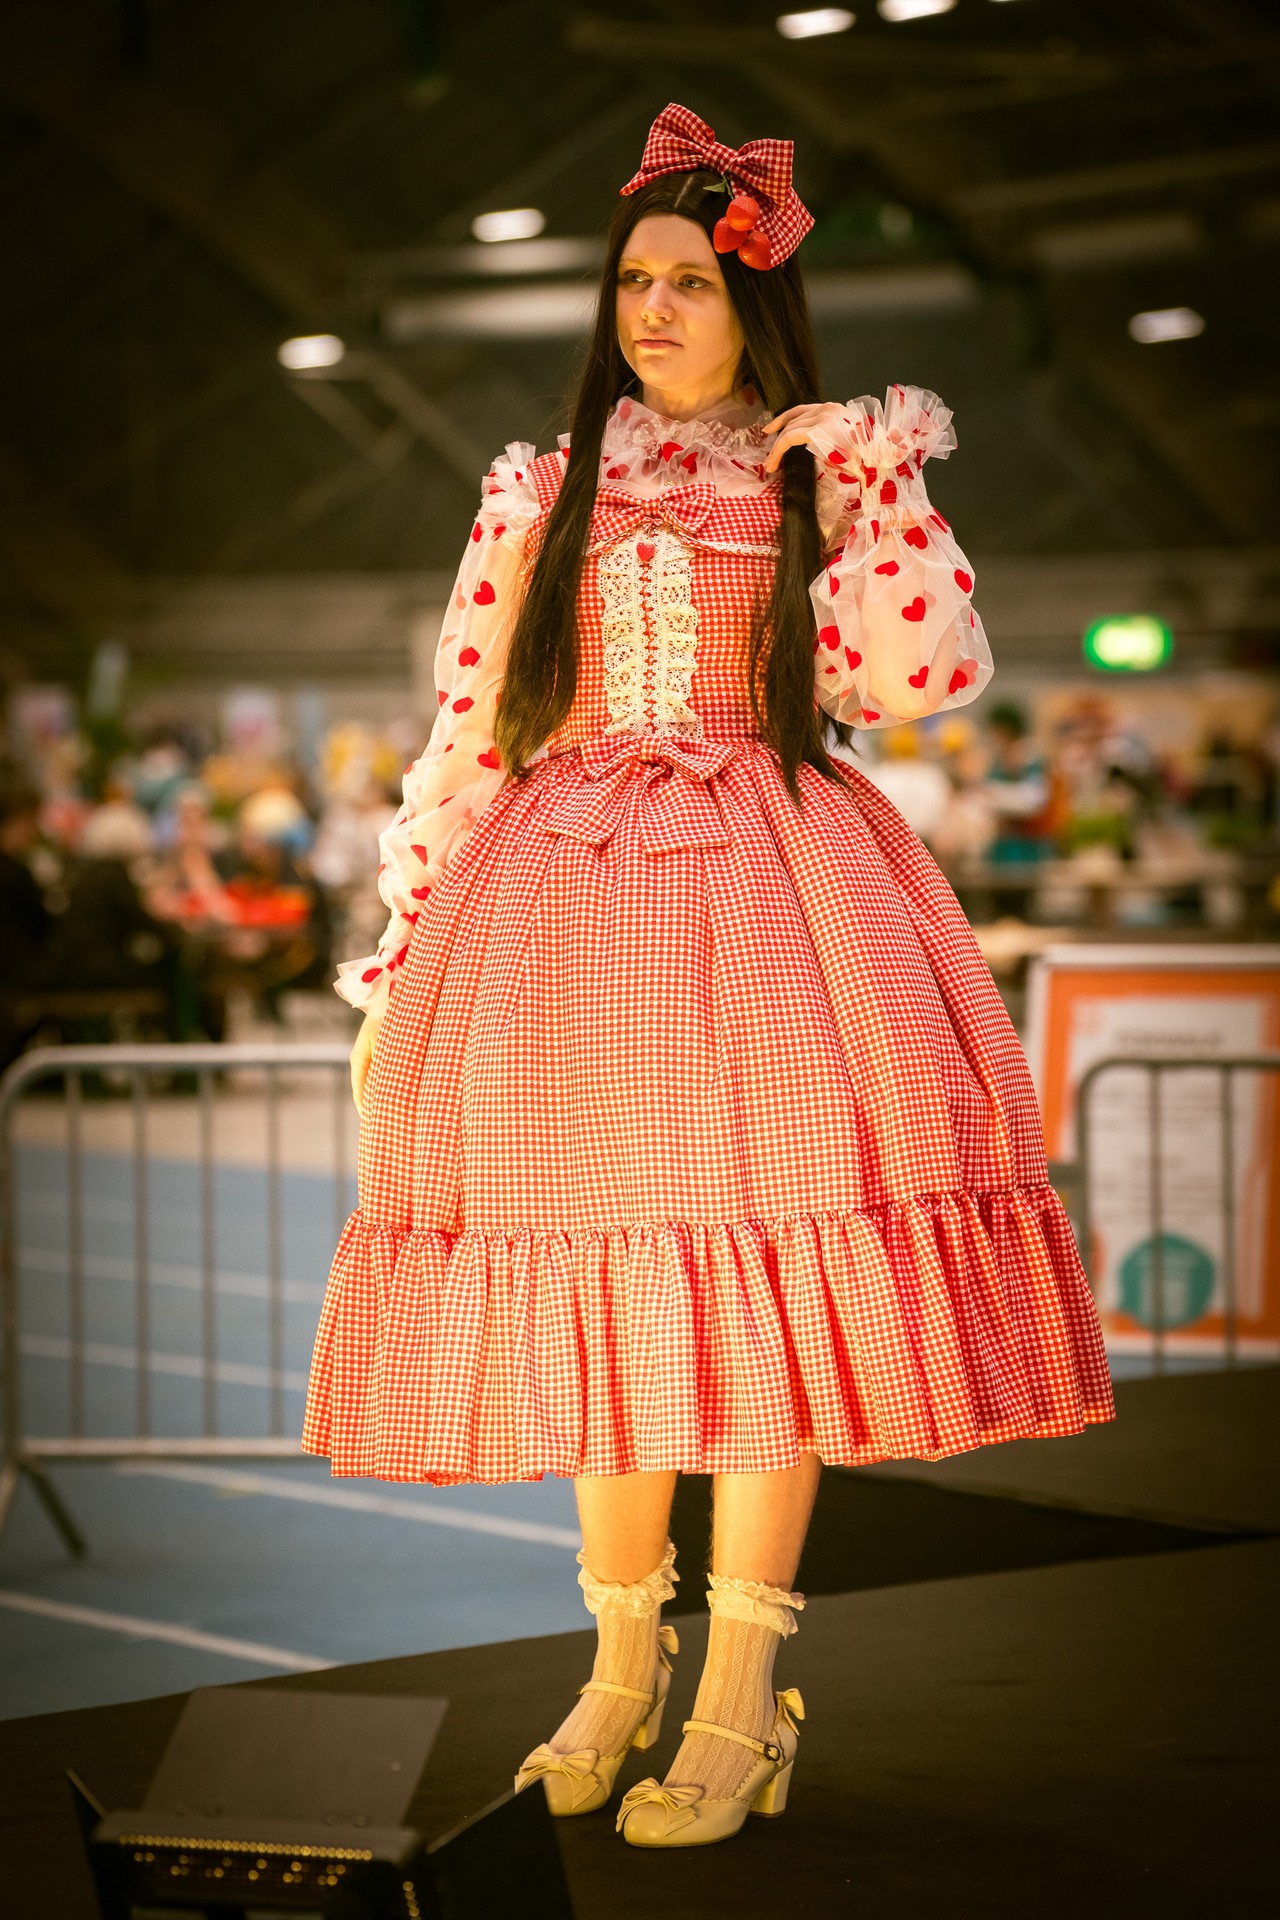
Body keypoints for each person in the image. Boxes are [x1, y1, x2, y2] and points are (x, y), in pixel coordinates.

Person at [302, 103, 1115, 1851]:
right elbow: (470, 729)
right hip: (563, 903)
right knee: (606, 1283)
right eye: (632, 284)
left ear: (756, 305)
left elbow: (914, 681)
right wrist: (407, 949)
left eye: (689, 281)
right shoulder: (541, 492)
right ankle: (619, 1667)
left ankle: (741, 1686)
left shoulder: (816, 472)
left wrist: (874, 479)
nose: (653, 311)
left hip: (773, 895)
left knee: (764, 1280)